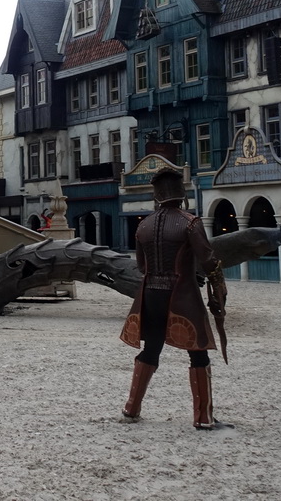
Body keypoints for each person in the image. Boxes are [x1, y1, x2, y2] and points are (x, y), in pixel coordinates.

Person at [119, 166, 232, 430]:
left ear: (156, 195)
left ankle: (132, 407)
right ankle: (203, 417)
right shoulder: (190, 222)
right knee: (198, 351)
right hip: (182, 294)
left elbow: (142, 266)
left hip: (150, 296)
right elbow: (209, 261)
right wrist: (219, 292)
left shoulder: (144, 226)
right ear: (181, 192)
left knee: (151, 348)